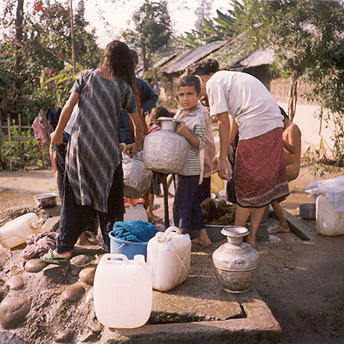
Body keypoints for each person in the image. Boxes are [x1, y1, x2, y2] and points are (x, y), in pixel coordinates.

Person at [42, 40, 143, 261]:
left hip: (81, 150)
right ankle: (114, 248)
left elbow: (69, 106)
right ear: (125, 62)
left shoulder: (85, 77)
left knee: (74, 198)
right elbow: (138, 122)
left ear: (104, 56)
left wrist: (57, 134)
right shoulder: (123, 87)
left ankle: (63, 249)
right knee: (111, 202)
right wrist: (137, 146)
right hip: (108, 152)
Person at [188, 59, 289, 244]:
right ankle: (250, 237)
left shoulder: (214, 83)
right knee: (261, 188)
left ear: (198, 78)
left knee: (245, 184)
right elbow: (233, 120)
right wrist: (222, 153)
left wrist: (224, 158)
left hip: (257, 129)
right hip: (274, 127)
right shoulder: (230, 79)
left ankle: (233, 241)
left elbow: (223, 122)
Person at [173, 75, 212, 247]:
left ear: (198, 96)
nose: (185, 98)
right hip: (180, 166)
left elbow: (200, 144)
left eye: (190, 94)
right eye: (181, 95)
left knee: (182, 205)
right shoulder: (181, 113)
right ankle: (204, 237)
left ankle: (182, 238)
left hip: (190, 169)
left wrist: (186, 134)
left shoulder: (200, 116)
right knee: (193, 203)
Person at [270, 107, 302, 234]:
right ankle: (282, 223)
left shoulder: (292, 127)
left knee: (270, 195)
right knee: (272, 194)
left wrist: (280, 140)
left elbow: (294, 150)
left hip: (291, 169)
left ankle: (284, 225)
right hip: (284, 168)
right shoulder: (285, 129)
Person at [146, 106, 173, 222]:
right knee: (153, 189)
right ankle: (149, 212)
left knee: (152, 188)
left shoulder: (150, 127)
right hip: (156, 163)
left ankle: (149, 212)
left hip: (150, 161)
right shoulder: (158, 130)